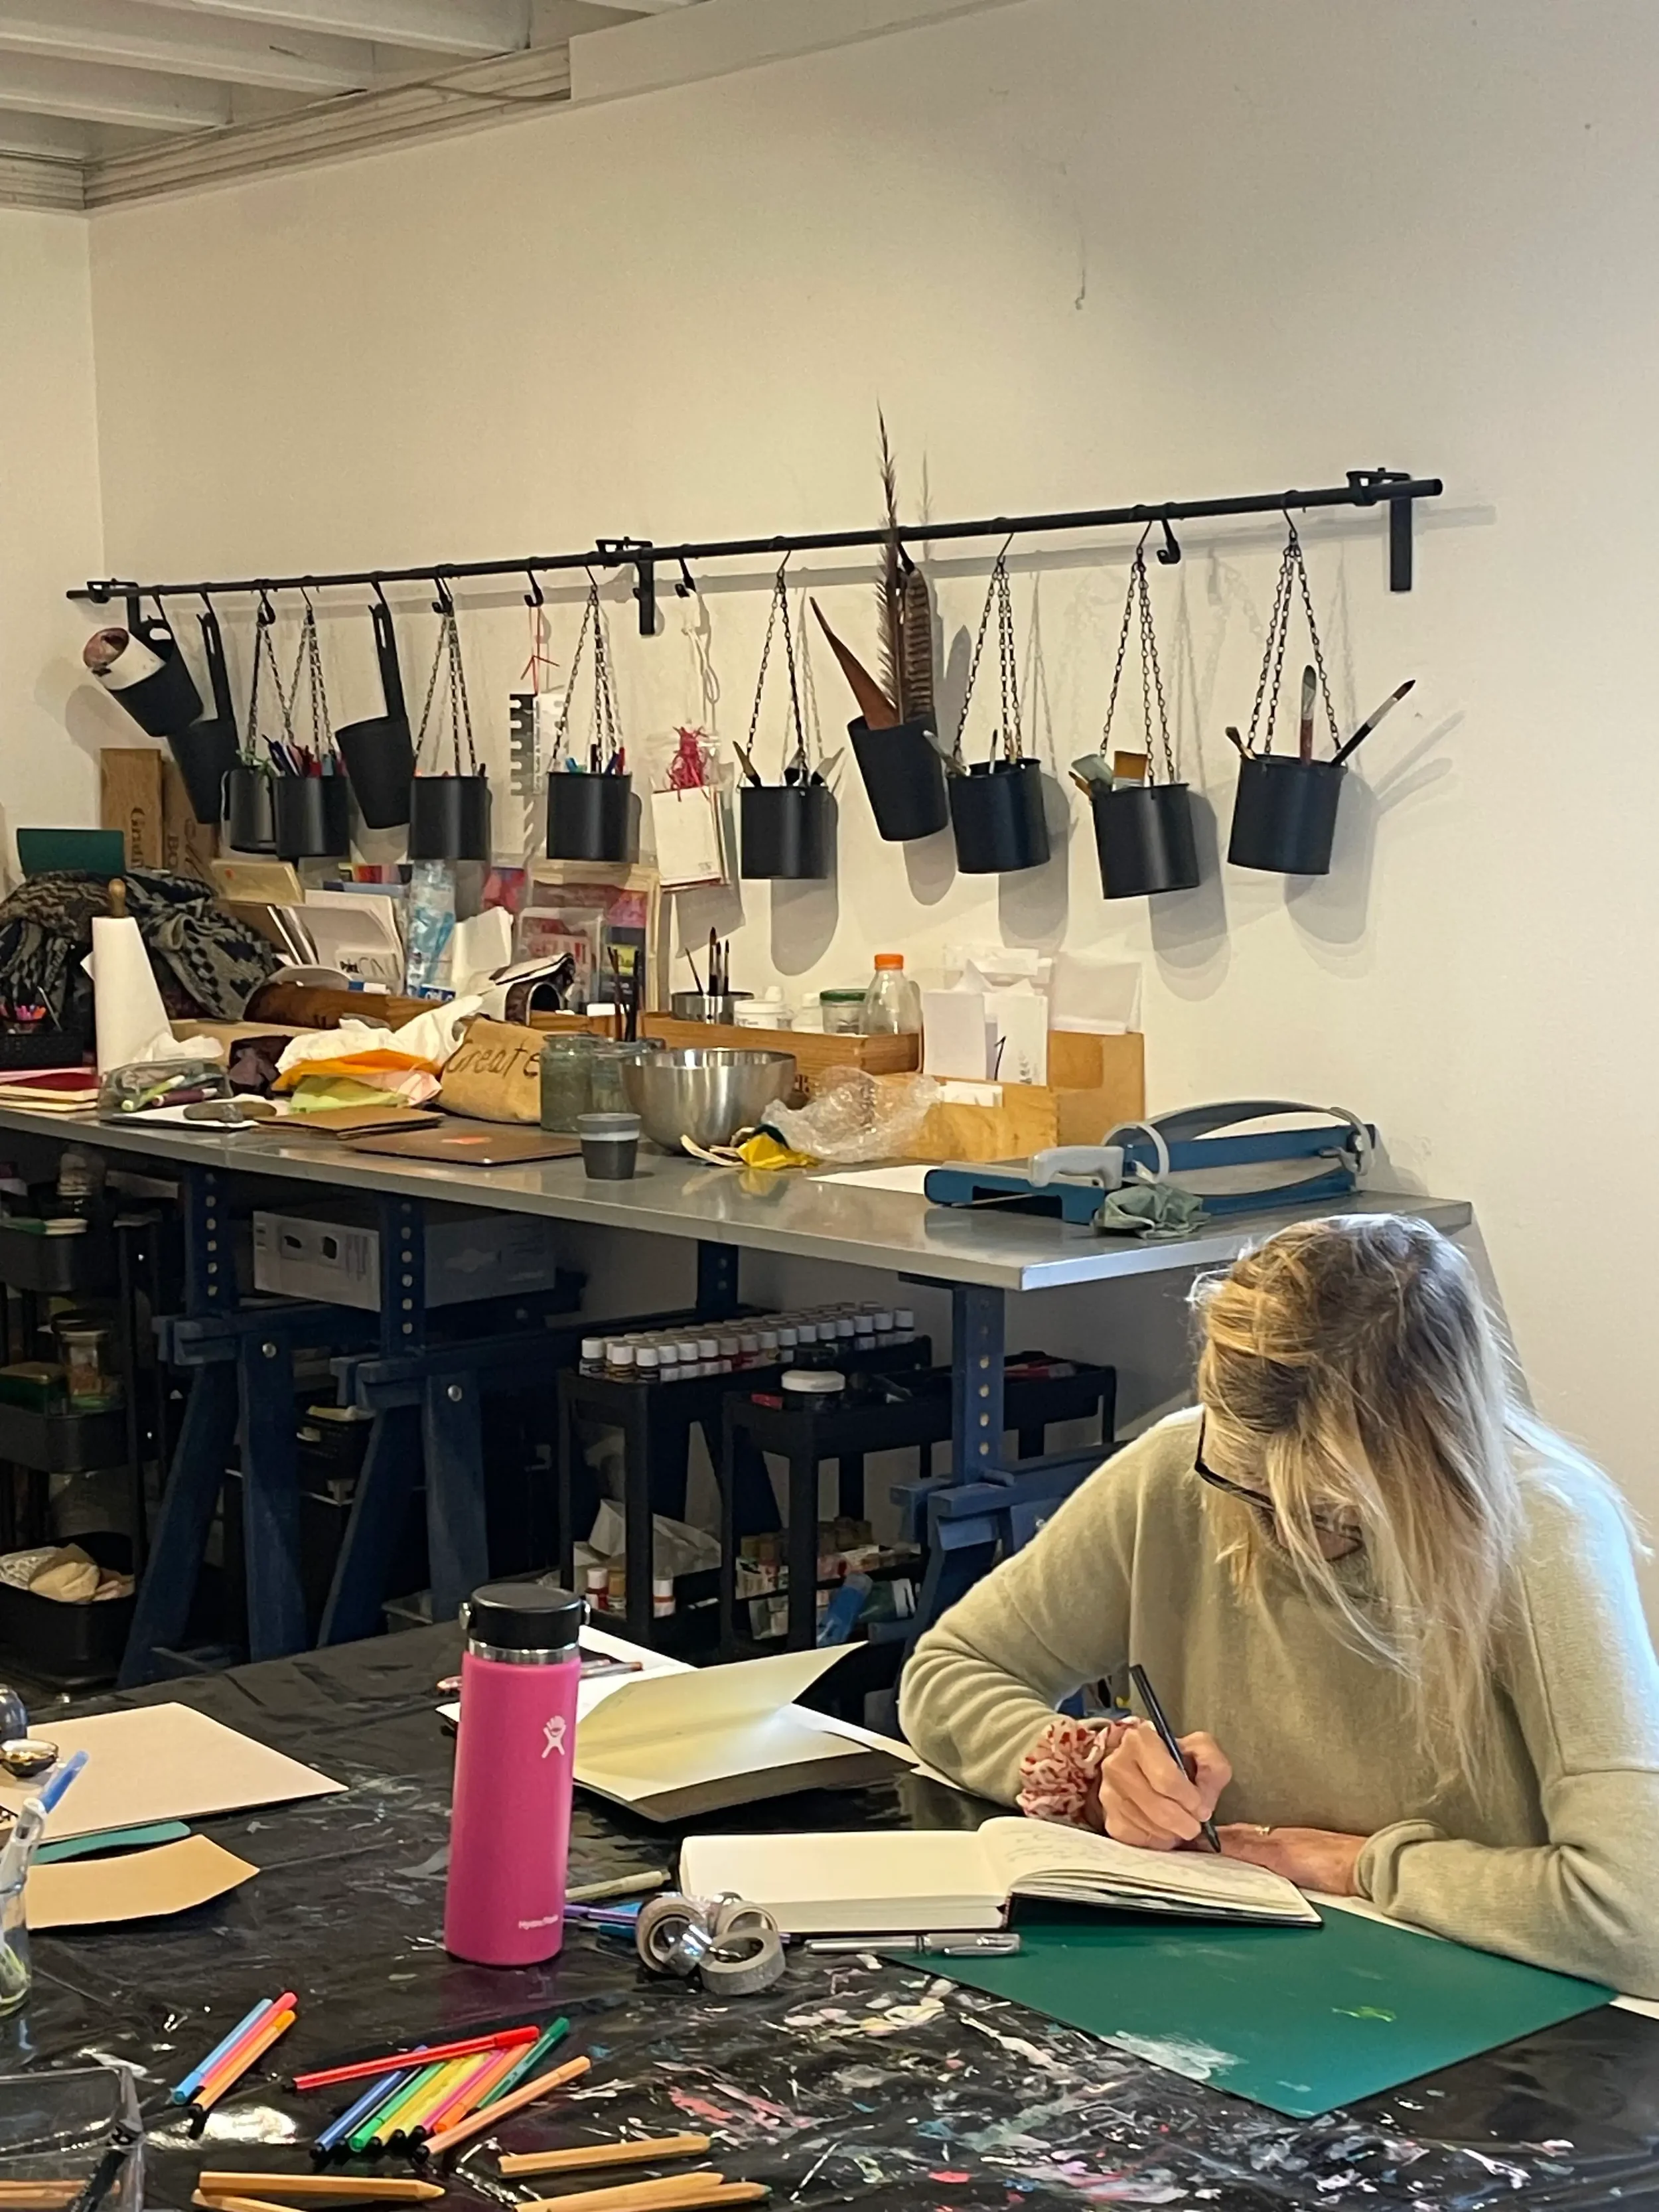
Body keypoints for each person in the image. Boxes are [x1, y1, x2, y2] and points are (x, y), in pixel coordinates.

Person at [900, 1215, 1659, 1995]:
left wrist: (1361, 1864)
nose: (1284, 1538)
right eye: (1249, 1493)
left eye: (1329, 1511)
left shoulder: (1540, 1534)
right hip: (1225, 1971)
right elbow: (949, 1674)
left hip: (1470, 2005)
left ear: (1434, 1459)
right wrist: (1097, 1780)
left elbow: (1639, 1917)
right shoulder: (1183, 1467)